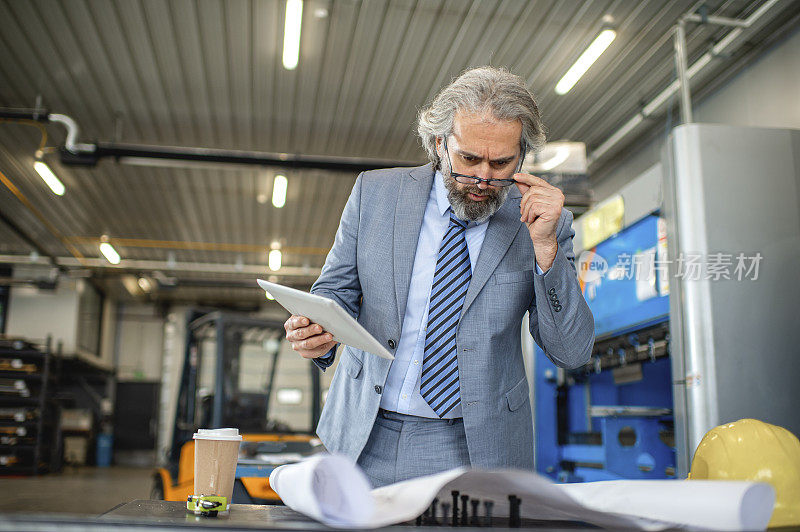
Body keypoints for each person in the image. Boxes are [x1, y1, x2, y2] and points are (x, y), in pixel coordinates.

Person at [284, 66, 594, 488]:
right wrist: (317, 330)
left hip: (476, 446)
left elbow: (572, 351)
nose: (484, 178)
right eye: (468, 159)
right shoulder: (375, 194)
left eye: (501, 162)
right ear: (438, 144)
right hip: (362, 434)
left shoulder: (542, 222)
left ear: (522, 157)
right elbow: (335, 292)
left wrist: (545, 250)